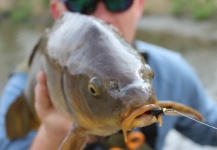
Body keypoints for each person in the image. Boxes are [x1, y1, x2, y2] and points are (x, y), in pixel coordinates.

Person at [1, 0, 217, 149]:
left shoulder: (173, 70)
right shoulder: (23, 84)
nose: (103, 16)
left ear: (139, 5)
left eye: (117, 1)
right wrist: (52, 133)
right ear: (58, 12)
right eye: (81, 2)